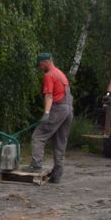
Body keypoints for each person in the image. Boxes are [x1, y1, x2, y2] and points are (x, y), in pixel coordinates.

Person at [23, 53, 73, 183]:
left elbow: (49, 95)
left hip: (58, 109)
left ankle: (36, 165)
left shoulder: (49, 75)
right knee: (60, 142)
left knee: (38, 136)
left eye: (40, 65)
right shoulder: (60, 74)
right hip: (69, 109)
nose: (40, 68)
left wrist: (46, 113)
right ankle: (57, 175)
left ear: (45, 62)